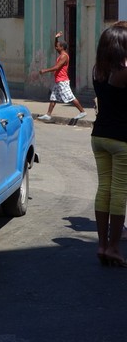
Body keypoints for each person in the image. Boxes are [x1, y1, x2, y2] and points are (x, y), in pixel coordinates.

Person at [90, 21, 127, 267]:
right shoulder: (123, 72)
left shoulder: (97, 70)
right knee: (119, 191)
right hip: (121, 139)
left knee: (104, 188)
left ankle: (102, 245)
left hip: (99, 136)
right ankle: (113, 247)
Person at [38, 31, 87, 121]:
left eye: (58, 45)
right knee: (53, 97)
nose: (56, 47)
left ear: (62, 47)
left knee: (70, 97)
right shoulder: (61, 54)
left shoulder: (64, 56)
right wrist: (56, 38)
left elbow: (57, 67)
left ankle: (82, 111)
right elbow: (55, 46)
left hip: (63, 81)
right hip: (58, 80)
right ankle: (48, 114)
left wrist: (45, 70)